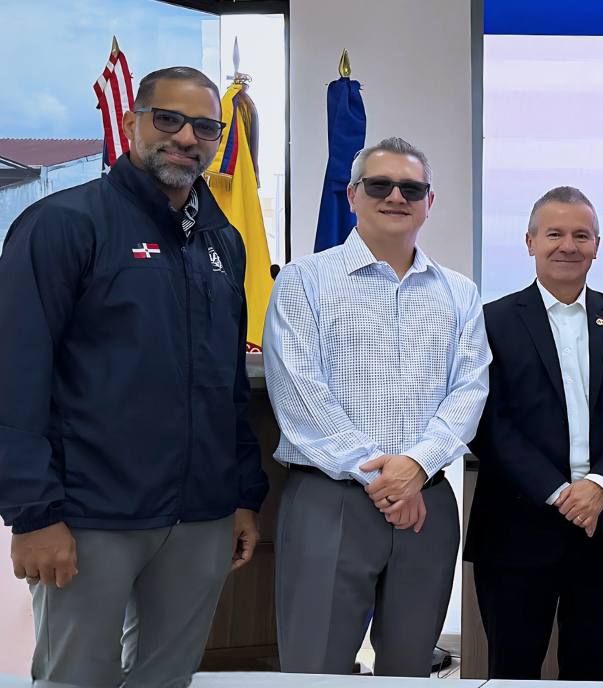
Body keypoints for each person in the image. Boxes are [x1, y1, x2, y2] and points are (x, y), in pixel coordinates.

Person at [0, 66, 265, 688]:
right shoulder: (64, 225)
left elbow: (227, 381)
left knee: (167, 679)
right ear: (131, 123)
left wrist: (242, 495)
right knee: (76, 680)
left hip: (201, 515)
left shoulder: (223, 240)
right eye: (167, 119)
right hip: (93, 514)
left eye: (205, 126)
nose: (186, 138)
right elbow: (15, 376)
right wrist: (32, 514)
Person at [265, 137, 491, 676]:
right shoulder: (304, 280)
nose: (396, 196)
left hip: (428, 502)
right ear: (352, 194)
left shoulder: (460, 292)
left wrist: (415, 467)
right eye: (380, 185)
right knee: (314, 668)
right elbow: (299, 391)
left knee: (410, 669)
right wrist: (384, 478)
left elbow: (470, 390)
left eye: (411, 188)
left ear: (429, 202)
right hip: (331, 498)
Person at [466, 187, 603, 680]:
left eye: (581, 235)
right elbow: (487, 422)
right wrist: (560, 493)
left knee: (590, 666)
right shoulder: (489, 321)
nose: (568, 246)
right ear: (530, 241)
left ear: (598, 245)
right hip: (517, 526)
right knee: (513, 668)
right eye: (554, 233)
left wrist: (598, 487)